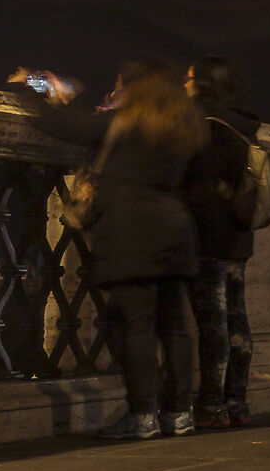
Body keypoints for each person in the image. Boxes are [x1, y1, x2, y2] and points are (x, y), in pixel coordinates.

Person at [19, 60, 203, 439]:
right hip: (176, 230)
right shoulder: (182, 128)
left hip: (131, 231)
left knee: (134, 326)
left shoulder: (123, 122)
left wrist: (32, 86)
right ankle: (179, 413)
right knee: (175, 327)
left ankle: (142, 415)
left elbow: (58, 126)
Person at [184, 58, 261, 429]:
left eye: (188, 79)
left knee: (212, 321)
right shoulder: (244, 125)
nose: (183, 85)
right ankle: (238, 402)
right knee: (237, 318)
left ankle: (211, 405)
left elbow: (191, 176)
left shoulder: (204, 124)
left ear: (203, 85)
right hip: (239, 232)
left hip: (207, 232)